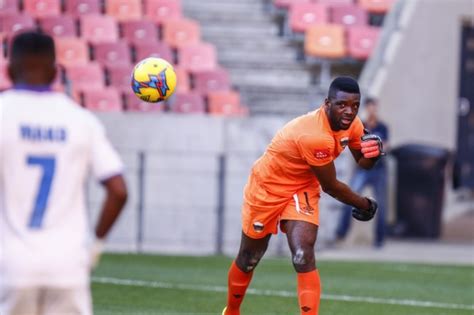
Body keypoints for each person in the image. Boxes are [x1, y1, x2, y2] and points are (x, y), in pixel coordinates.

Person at [222, 77, 384, 315]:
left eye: (355, 105)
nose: (349, 111)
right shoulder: (314, 136)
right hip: (267, 186)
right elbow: (330, 186)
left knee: (302, 253)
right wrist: (365, 204)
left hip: (302, 187)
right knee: (250, 257)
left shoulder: (353, 124)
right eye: (342, 105)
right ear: (327, 104)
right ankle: (232, 311)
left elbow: (363, 163)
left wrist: (373, 154)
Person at [0, 31, 128, 315]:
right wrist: (95, 245)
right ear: (56, 72)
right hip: (68, 264)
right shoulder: (81, 120)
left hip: (12, 263)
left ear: (8, 70)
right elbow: (119, 190)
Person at [336, 98, 389, 248]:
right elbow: (357, 146)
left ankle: (379, 240)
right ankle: (341, 233)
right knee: (349, 198)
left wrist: (373, 148)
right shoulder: (361, 126)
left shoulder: (383, 127)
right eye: (370, 107)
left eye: (374, 107)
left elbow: (385, 146)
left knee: (382, 205)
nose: (372, 110)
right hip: (363, 169)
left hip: (379, 170)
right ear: (366, 108)